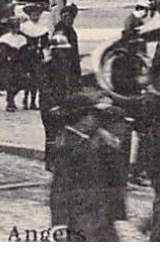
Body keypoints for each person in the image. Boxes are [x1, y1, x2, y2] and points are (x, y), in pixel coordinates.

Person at [48, 94, 126, 241]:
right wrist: (59, 226)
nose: (97, 120)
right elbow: (59, 189)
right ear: (82, 118)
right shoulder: (68, 146)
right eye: (93, 115)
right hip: (82, 218)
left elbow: (118, 113)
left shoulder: (84, 139)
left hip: (98, 214)